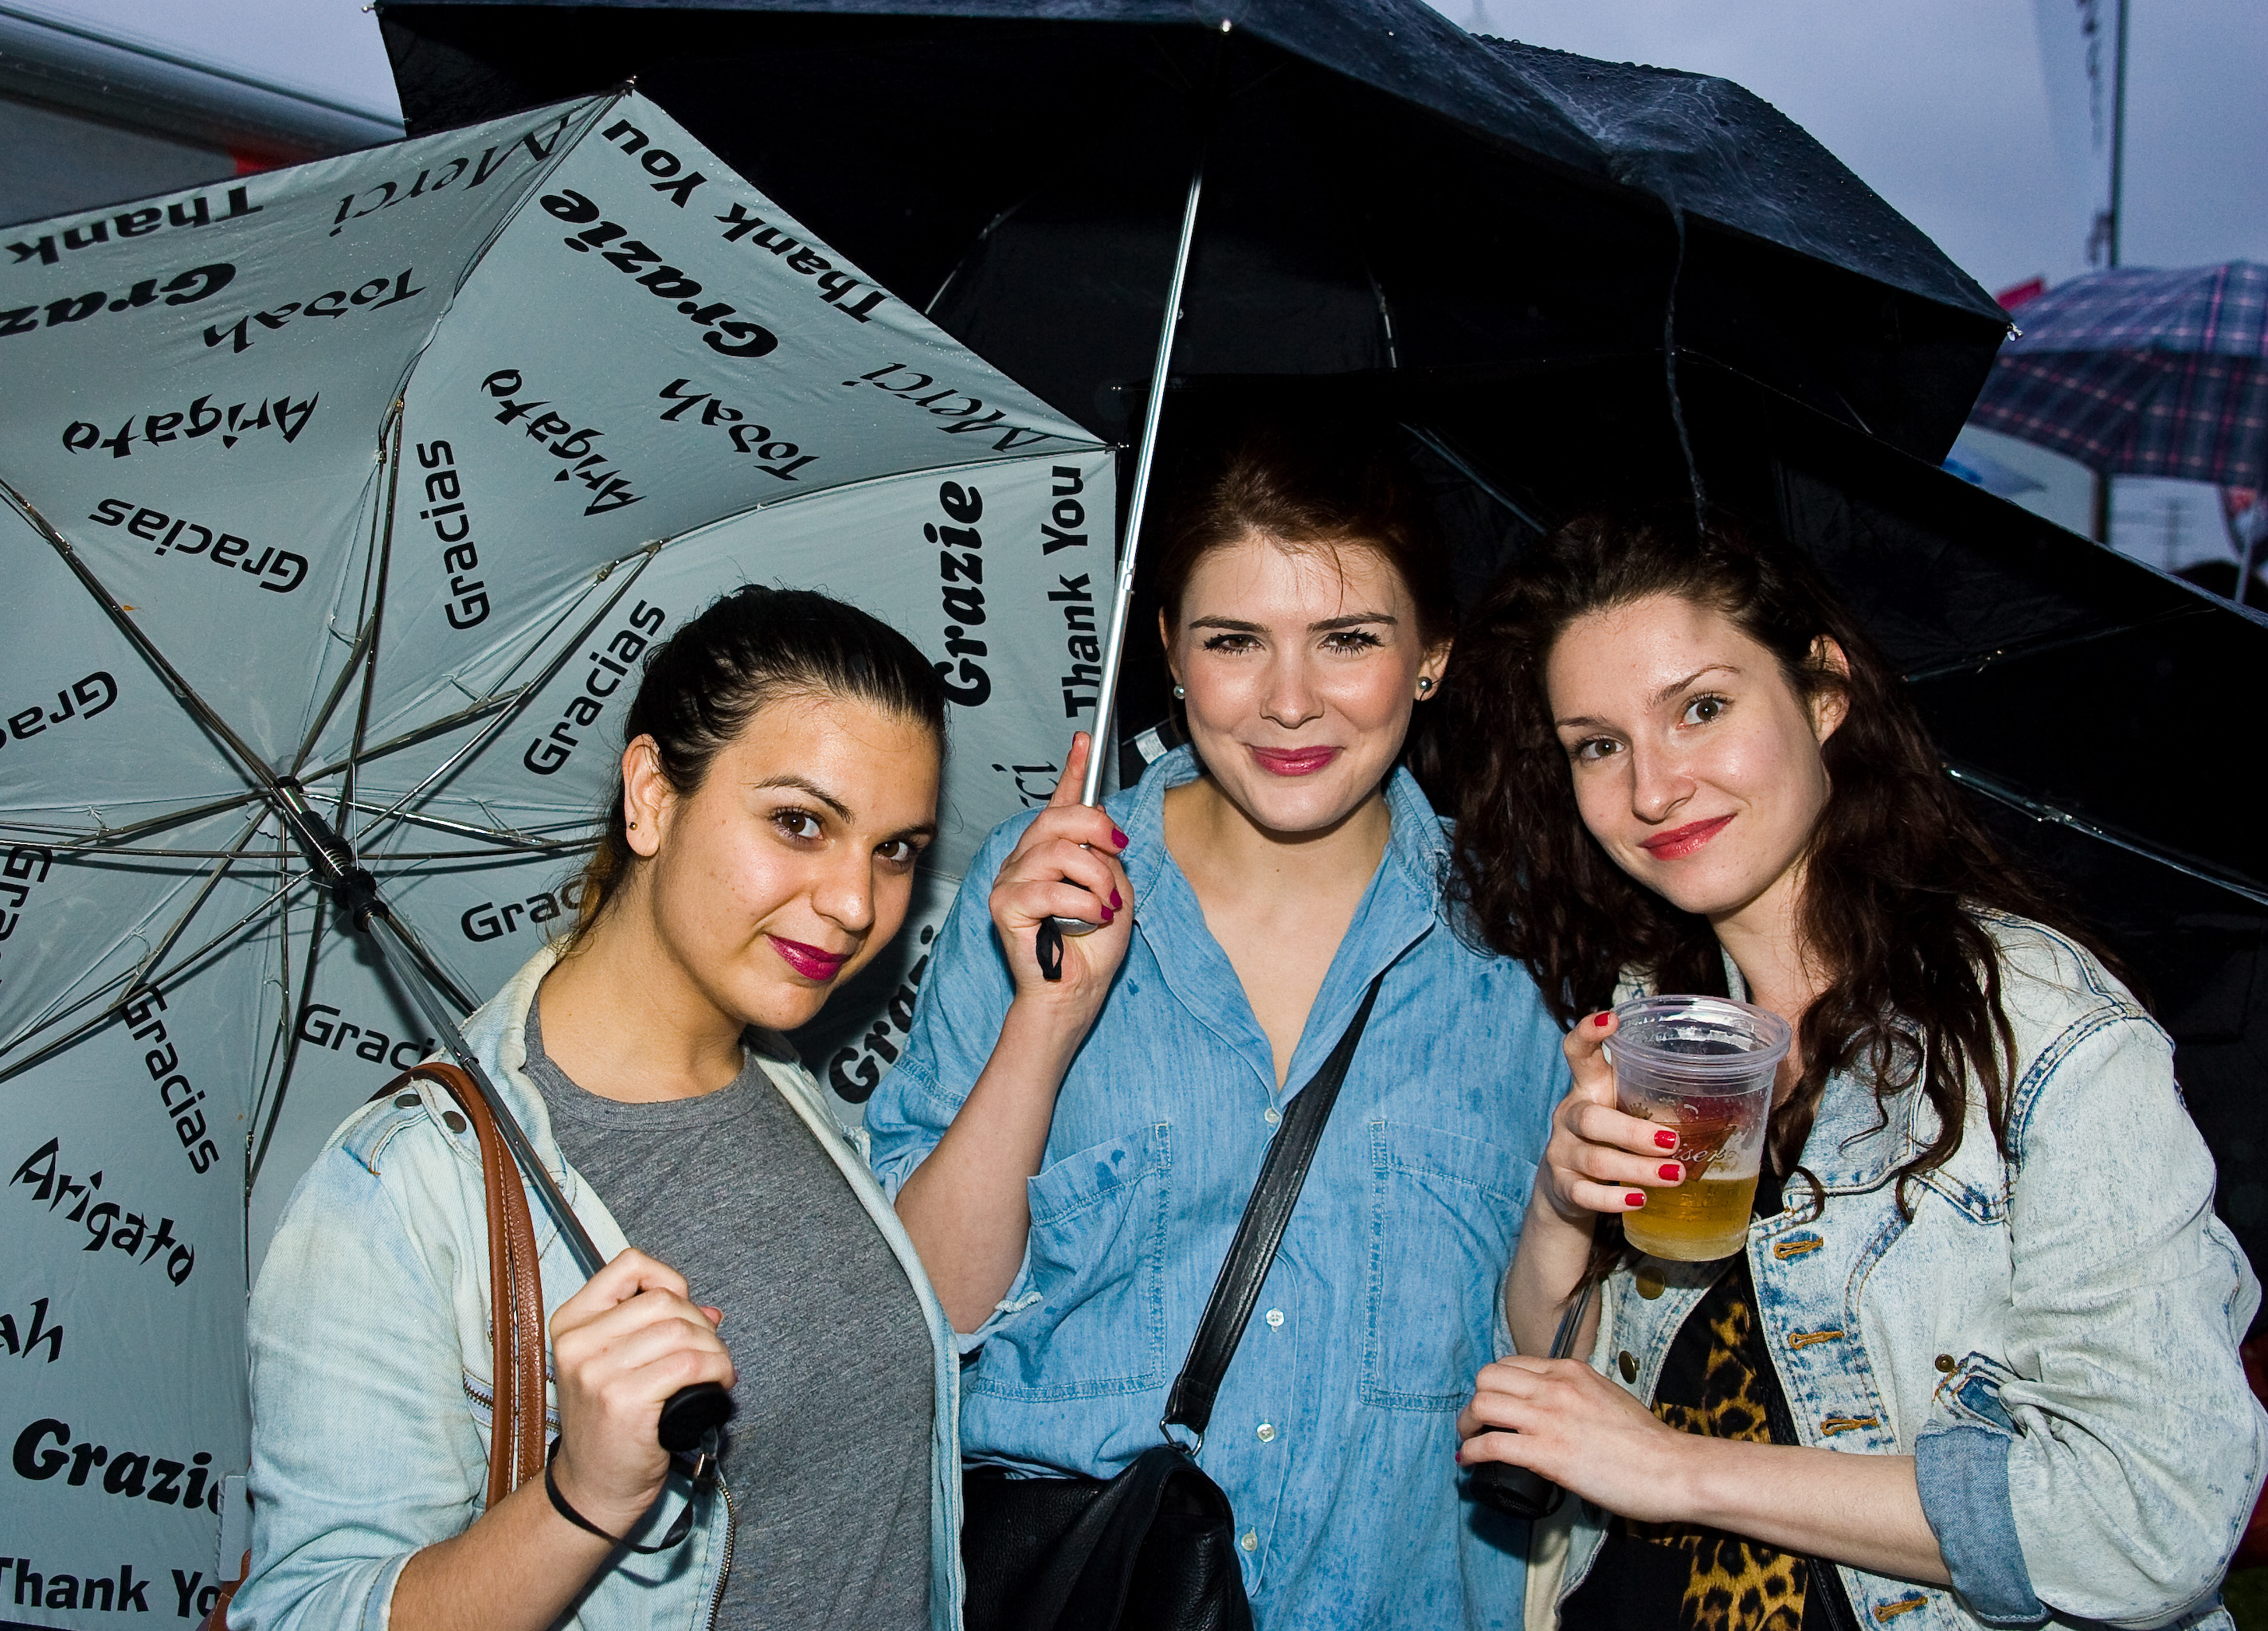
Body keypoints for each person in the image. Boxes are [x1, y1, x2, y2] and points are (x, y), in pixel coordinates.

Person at [1447, 510, 2266, 1630]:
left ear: (1824, 695)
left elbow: (2151, 1519)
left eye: (1701, 709)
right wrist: (1561, 1204)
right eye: (1598, 744)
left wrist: (1677, 1469)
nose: (1651, 788)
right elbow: (1563, 1390)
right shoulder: (1659, 1012)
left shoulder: (2035, 1030)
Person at [865, 424, 1568, 1628]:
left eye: (1348, 640)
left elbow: (1559, 1362)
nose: (1289, 702)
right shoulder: (1039, 891)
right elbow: (922, 1314)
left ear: (1433, 657)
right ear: (1171, 659)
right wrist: (1046, 1023)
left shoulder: (1525, 946)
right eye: (1235, 642)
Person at [237, 587, 968, 1631]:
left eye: (896, 848)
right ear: (652, 797)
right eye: (800, 823)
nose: (857, 902)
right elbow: (306, 1615)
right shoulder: (401, 1192)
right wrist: (584, 1497)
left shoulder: (785, 1086)